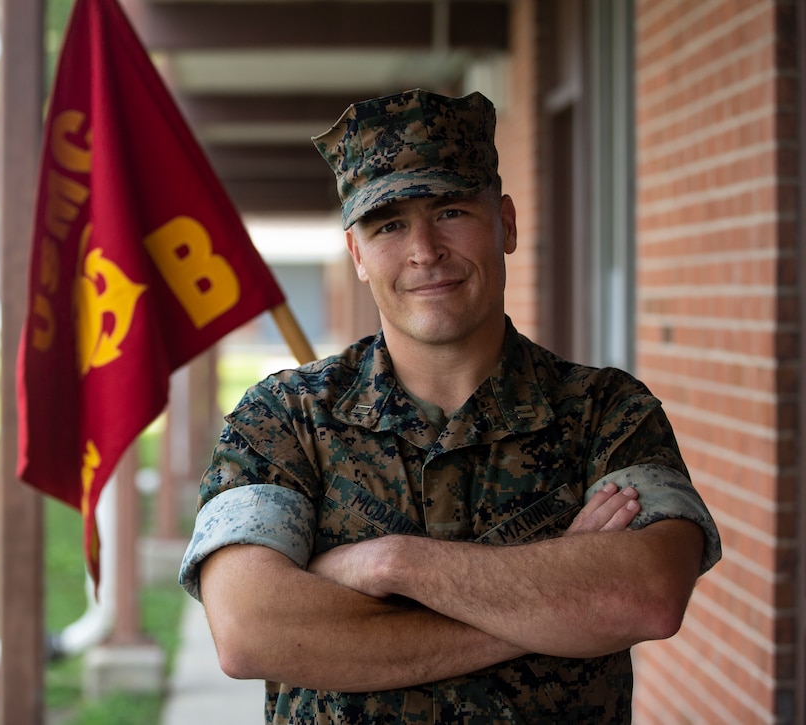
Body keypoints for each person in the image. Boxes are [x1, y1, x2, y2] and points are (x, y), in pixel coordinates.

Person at [179, 89, 721, 724]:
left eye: (452, 210)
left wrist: (391, 564)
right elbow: (249, 630)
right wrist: (552, 609)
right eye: (388, 224)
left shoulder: (605, 411)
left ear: (507, 224)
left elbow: (647, 595)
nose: (424, 250)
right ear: (356, 254)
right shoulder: (283, 419)